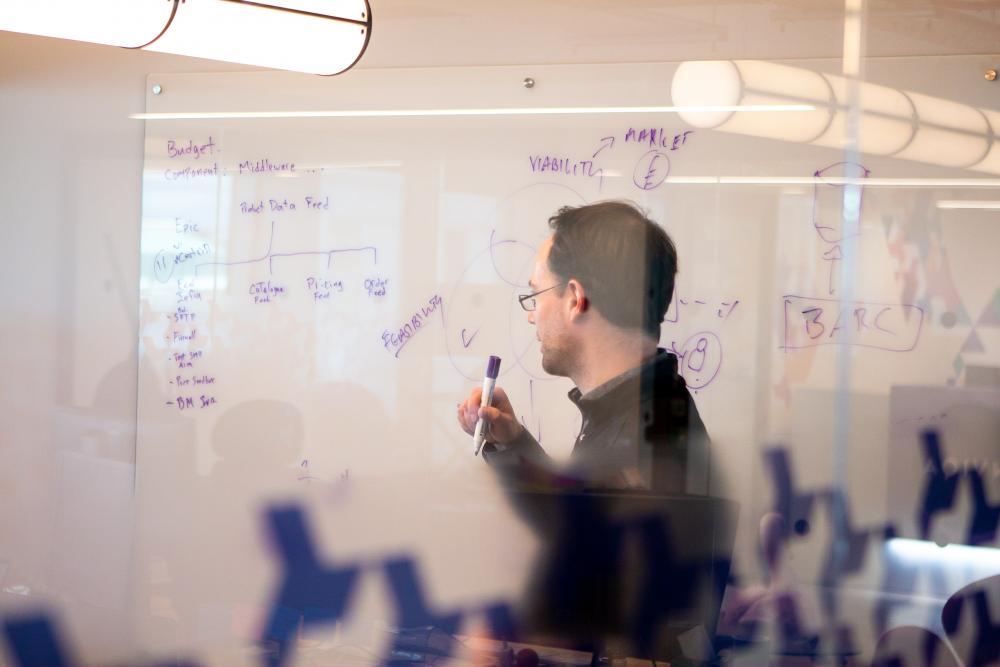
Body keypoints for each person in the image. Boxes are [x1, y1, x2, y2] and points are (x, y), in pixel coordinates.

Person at [457, 200, 713, 495]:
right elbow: (577, 508)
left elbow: (574, 527)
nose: (531, 315)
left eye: (535, 294)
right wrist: (511, 441)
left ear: (576, 299)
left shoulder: (639, 443)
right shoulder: (644, 411)